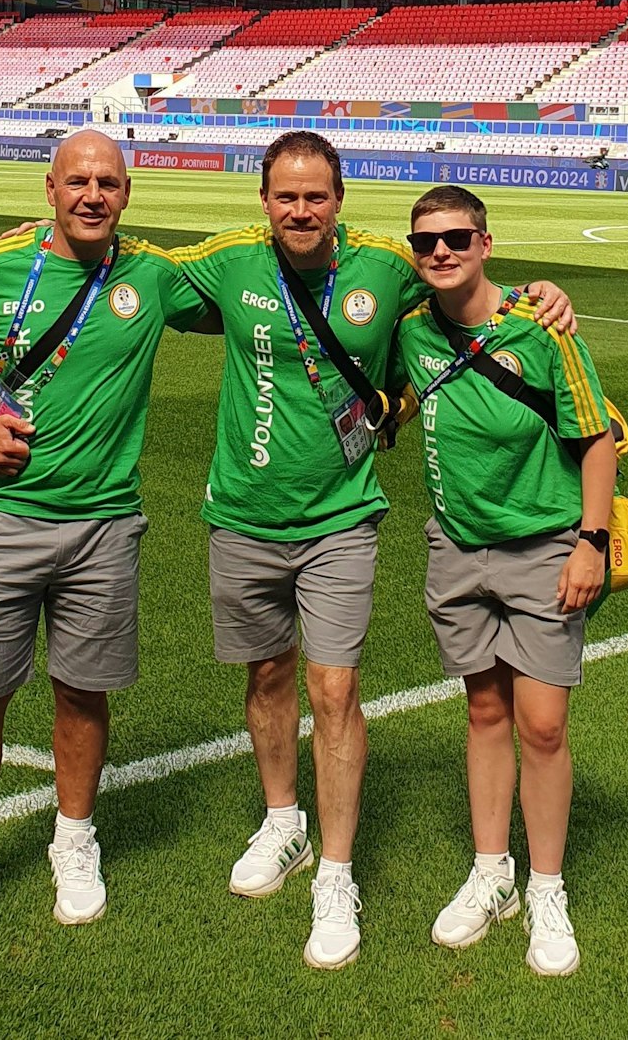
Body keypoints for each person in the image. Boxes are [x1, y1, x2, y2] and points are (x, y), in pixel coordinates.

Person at [166, 133, 576, 969]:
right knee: (267, 676)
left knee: (334, 685)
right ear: (263, 199)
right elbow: (128, 274)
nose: (300, 210)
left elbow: (461, 285)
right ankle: (284, 825)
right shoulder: (233, 260)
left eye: (315, 195)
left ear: (340, 197)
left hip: (342, 514)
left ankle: (336, 873)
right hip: (242, 512)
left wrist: (542, 293)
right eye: (285, 195)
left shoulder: (387, 266)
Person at [0, 131, 213, 951]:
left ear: (126, 194)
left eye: (108, 183)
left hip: (105, 527)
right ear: (48, 187)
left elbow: (267, 291)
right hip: (2, 519)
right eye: (77, 181)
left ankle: (74, 842)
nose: (92, 195)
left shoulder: (150, 277)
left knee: (84, 693)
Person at [389, 185, 616, 977]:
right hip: (455, 550)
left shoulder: (540, 325)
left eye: (456, 237)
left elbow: (597, 440)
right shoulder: (411, 327)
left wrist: (590, 542)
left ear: (486, 242)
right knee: (483, 711)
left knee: (542, 725)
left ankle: (546, 887)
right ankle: (493, 876)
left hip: (545, 550)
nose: (440, 252)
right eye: (425, 242)